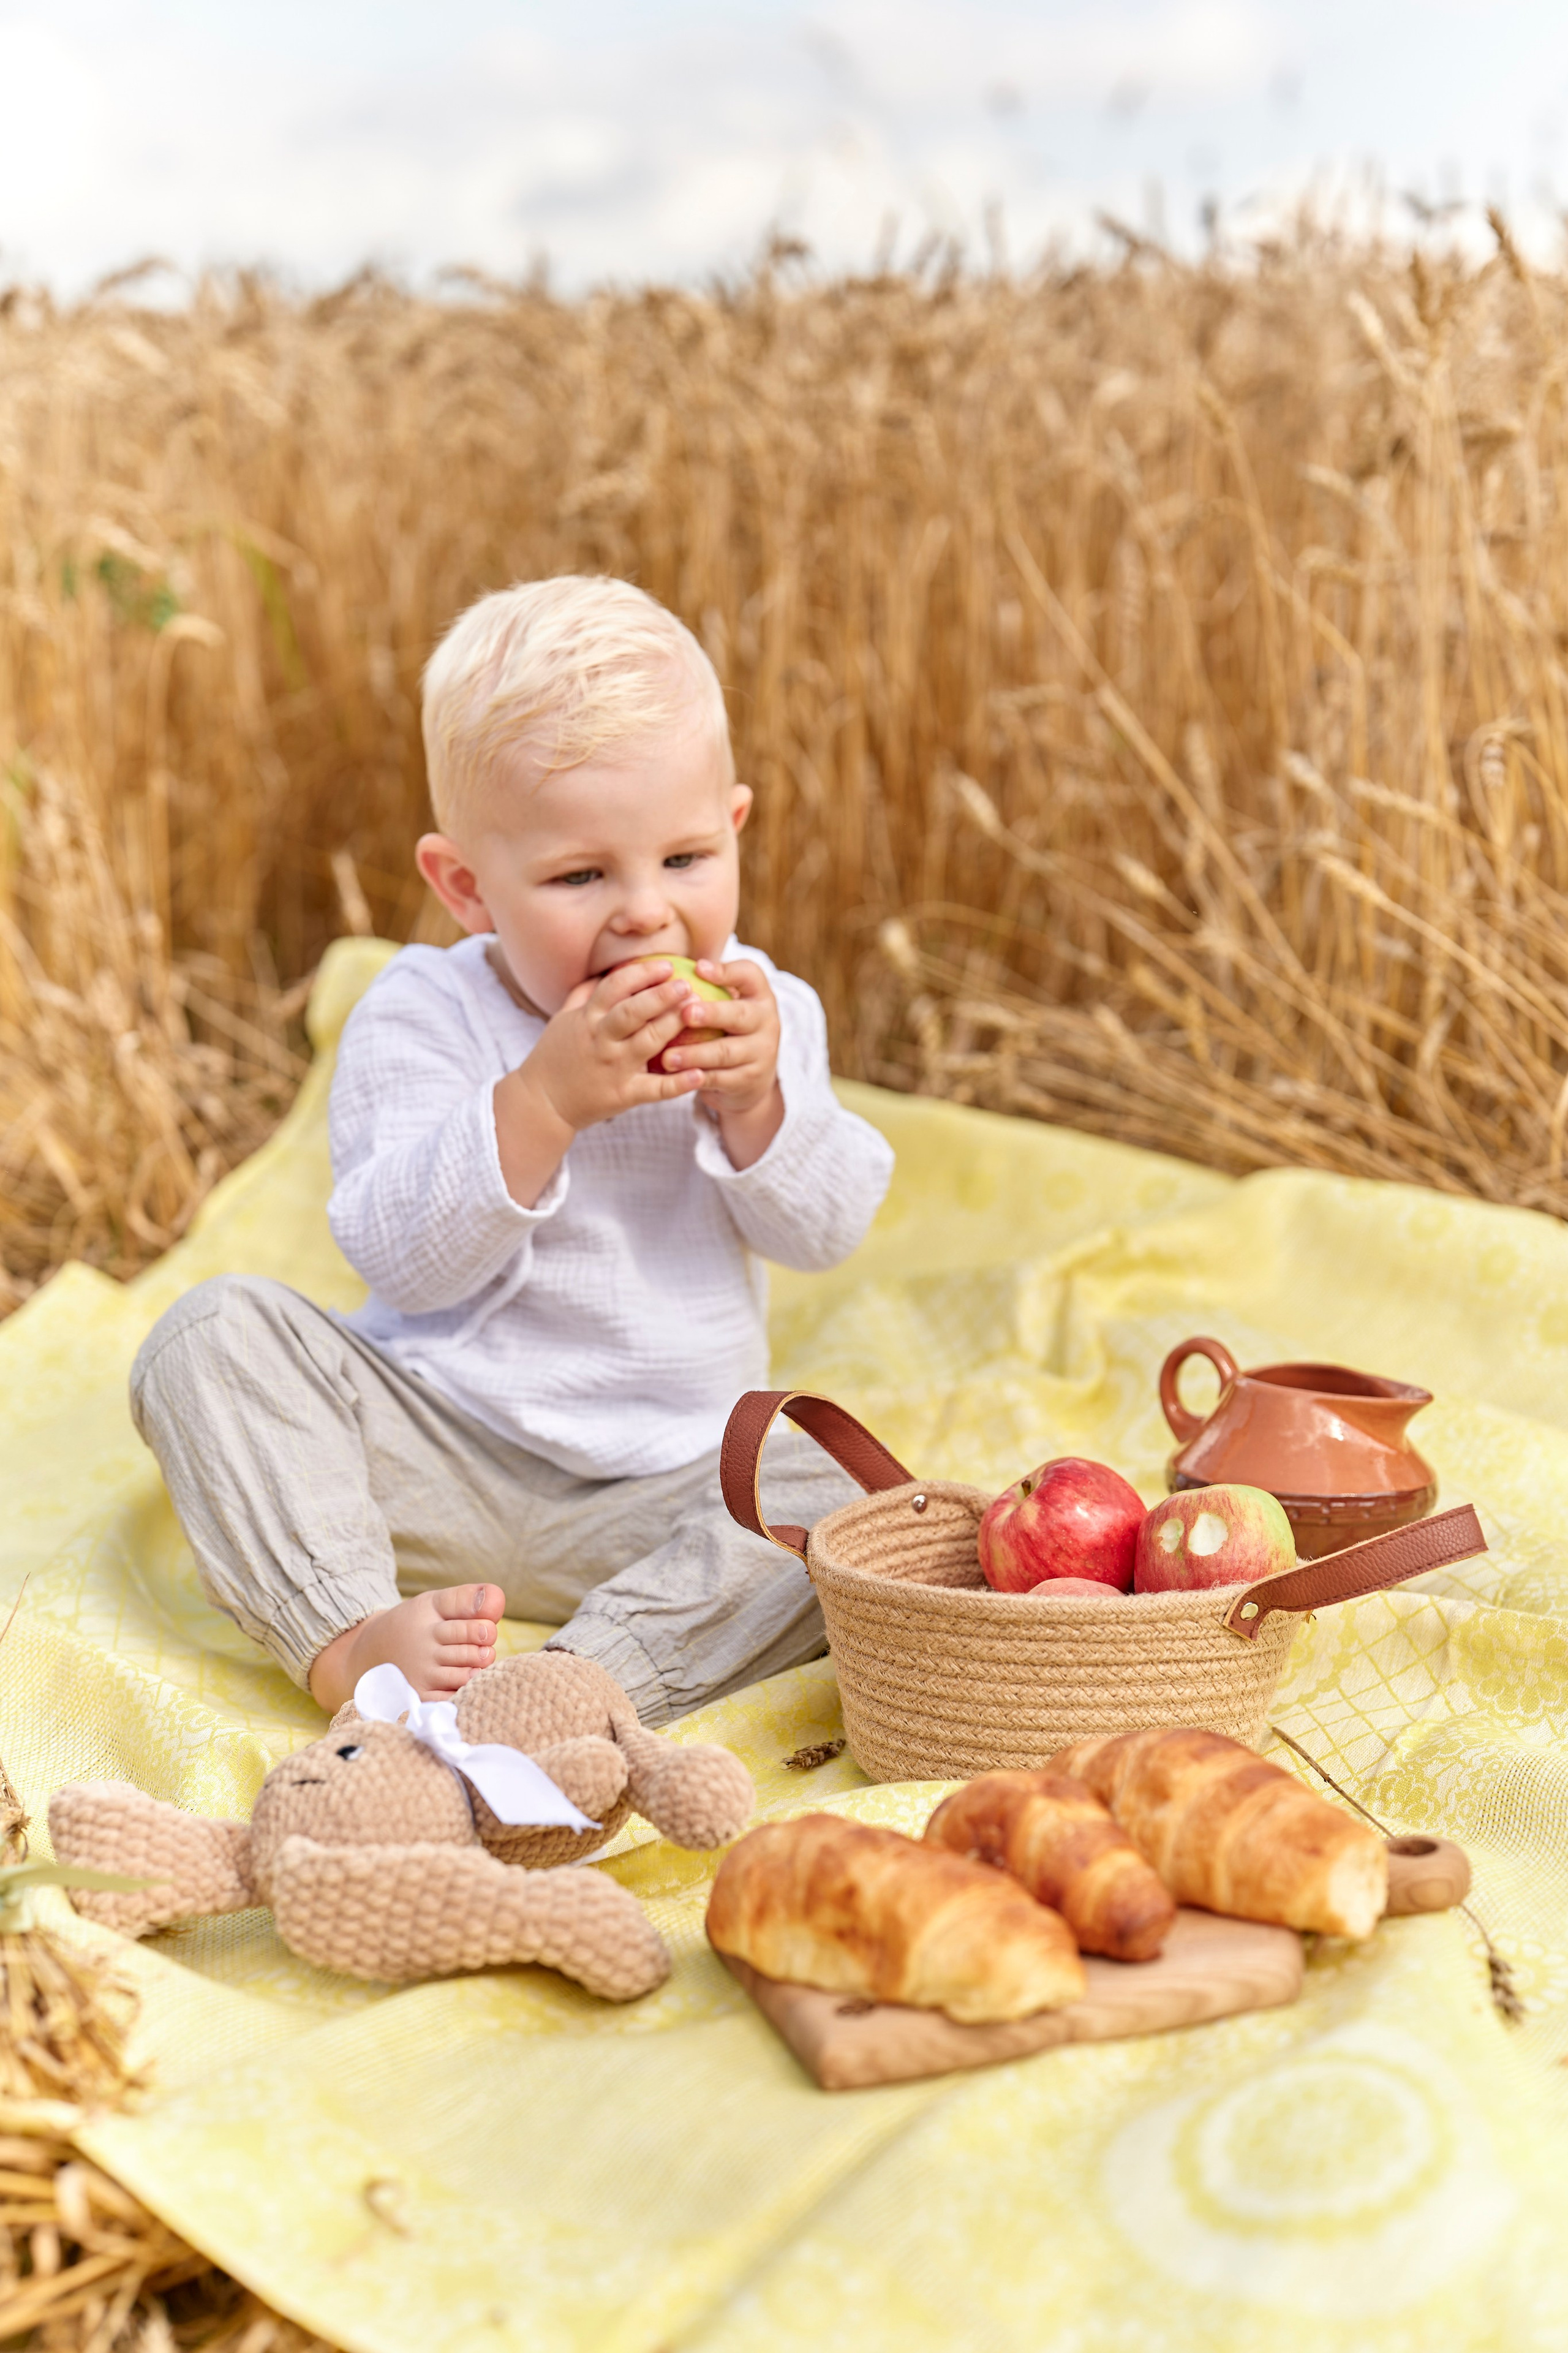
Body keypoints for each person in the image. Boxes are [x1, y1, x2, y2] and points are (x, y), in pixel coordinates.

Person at [130, 576, 894, 1722]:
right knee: (209, 1334)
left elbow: (825, 1229)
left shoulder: (763, 1011)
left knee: (846, 1494)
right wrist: (543, 1100)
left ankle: (583, 1688)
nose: (645, 914)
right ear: (466, 887)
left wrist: (757, 1103)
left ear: (733, 828)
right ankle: (346, 1634)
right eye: (582, 876)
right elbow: (401, 1258)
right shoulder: (420, 1011)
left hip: (665, 1478)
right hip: (434, 1448)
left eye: (683, 860)